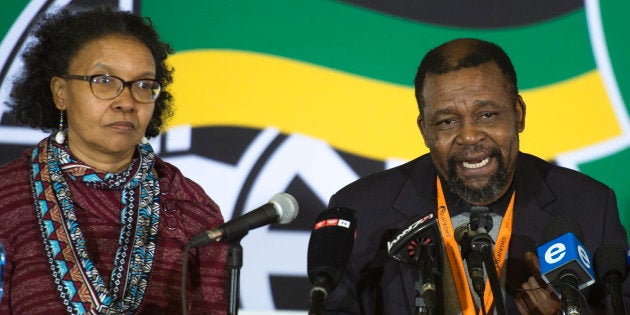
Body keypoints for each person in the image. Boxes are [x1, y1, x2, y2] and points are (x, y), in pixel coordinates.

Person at [324, 38, 629, 314]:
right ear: (424, 130)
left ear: (518, 114)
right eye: (447, 121)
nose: (469, 137)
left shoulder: (589, 206)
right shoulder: (363, 212)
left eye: (487, 115)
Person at [0, 7, 228, 314]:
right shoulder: (6, 197)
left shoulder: (193, 210)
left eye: (144, 85)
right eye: (104, 80)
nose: (126, 102)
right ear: (60, 92)